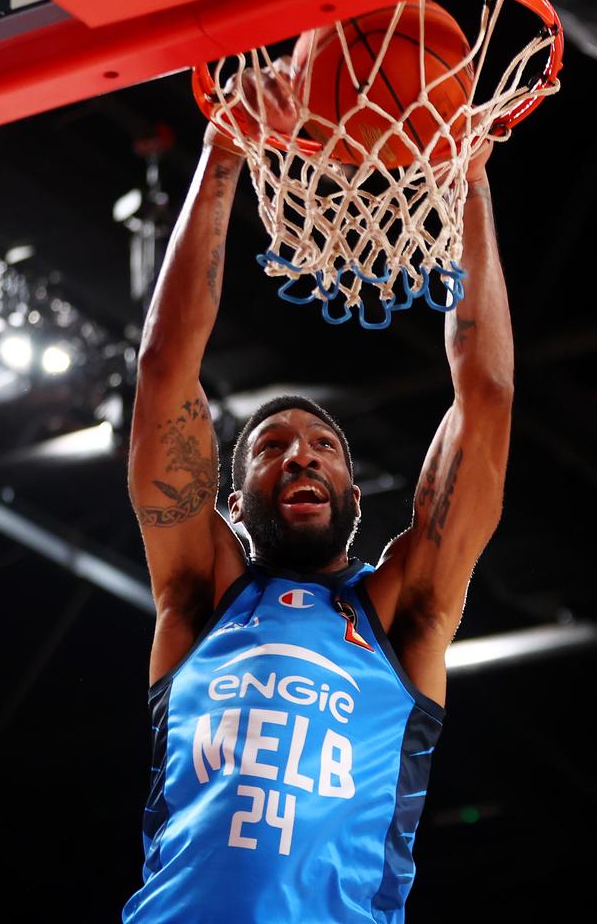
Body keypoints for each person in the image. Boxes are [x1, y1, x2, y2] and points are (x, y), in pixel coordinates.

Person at [121, 65, 513, 923]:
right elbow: (163, 373)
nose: (302, 457)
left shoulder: (402, 610)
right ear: (230, 495)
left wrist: (469, 179)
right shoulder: (201, 596)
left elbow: (484, 399)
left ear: (354, 496)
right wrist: (224, 151)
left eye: (325, 447)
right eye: (271, 447)